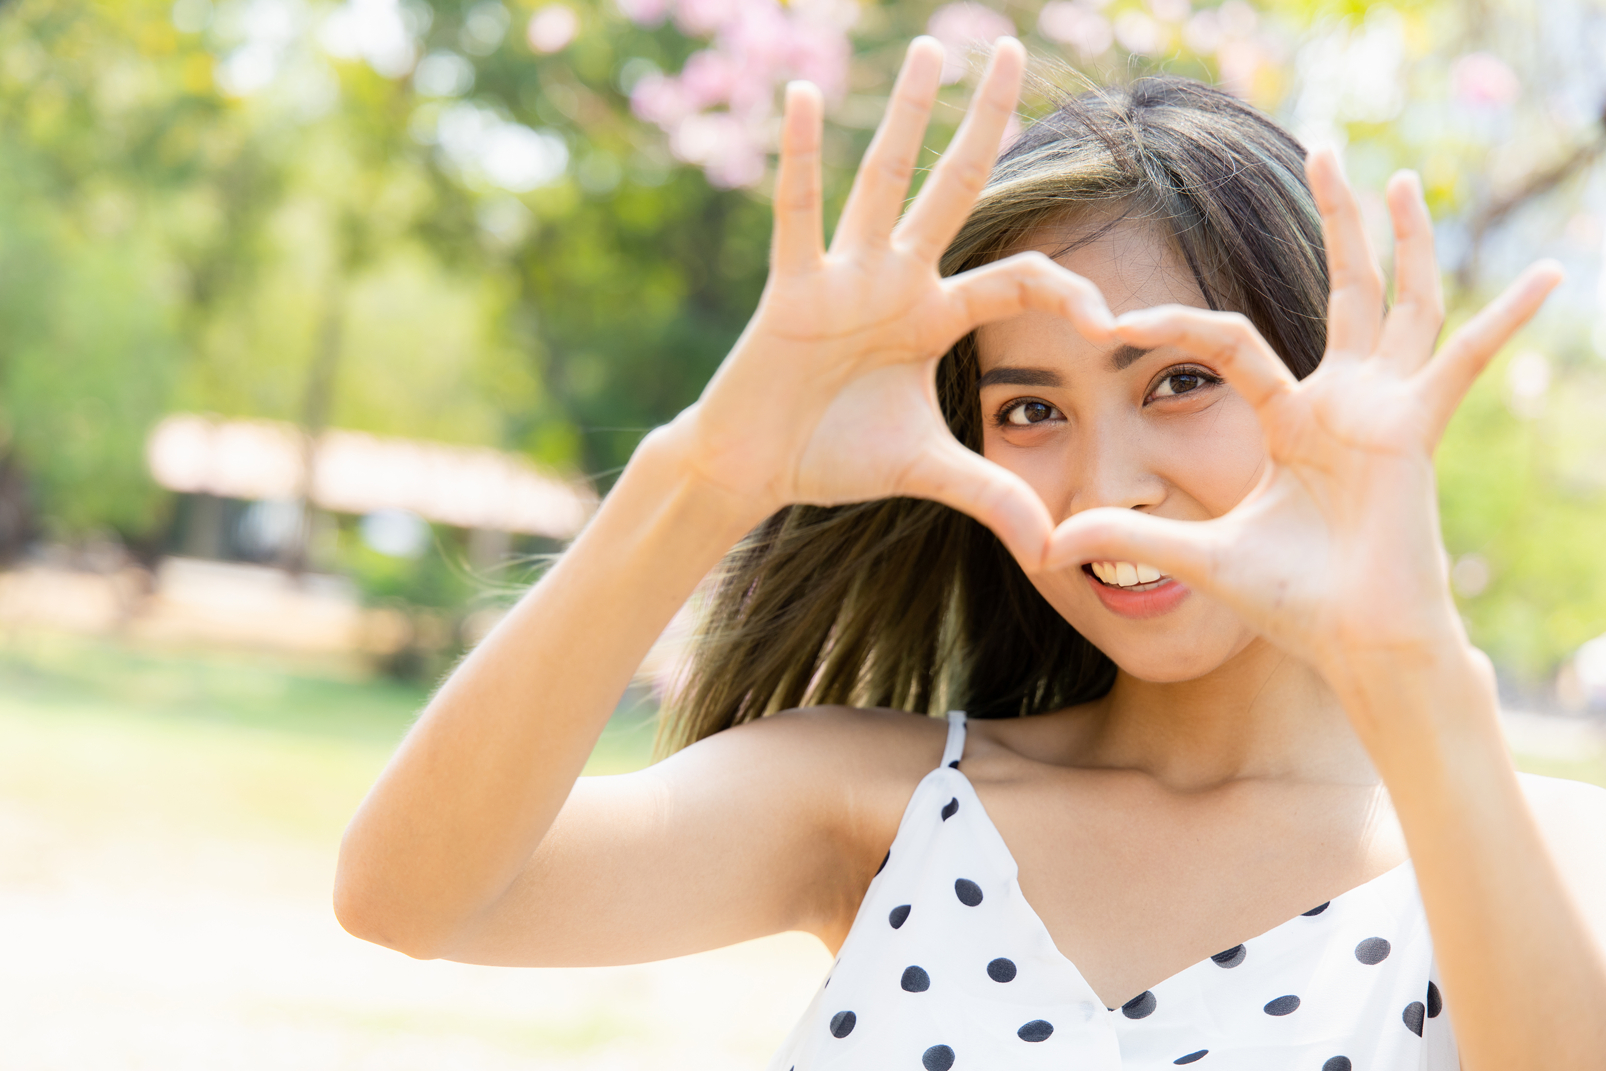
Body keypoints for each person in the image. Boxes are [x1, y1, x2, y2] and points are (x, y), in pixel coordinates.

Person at [332, 36, 1606, 1070]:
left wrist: (1410, 660)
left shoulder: (1538, 852)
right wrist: (709, 468)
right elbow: (412, 899)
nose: (1109, 487)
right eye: (1030, 412)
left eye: (1176, 380)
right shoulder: (888, 811)